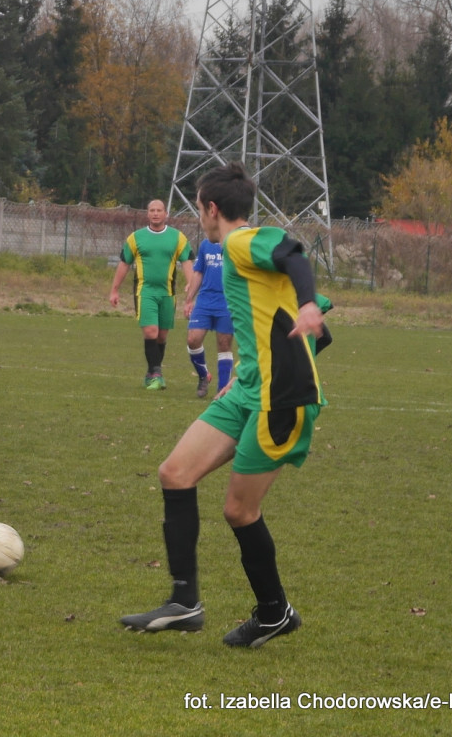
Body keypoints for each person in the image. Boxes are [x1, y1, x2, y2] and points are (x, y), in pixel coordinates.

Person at [119, 162, 328, 648]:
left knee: (239, 511)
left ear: (212, 209)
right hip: (248, 390)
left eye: (198, 207)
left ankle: (274, 612)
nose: (199, 216)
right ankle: (184, 602)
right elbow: (305, 317)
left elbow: (292, 253)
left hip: (281, 400)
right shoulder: (235, 252)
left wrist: (309, 305)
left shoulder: (238, 241)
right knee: (175, 473)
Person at [109, 200, 194, 390]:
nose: (155, 213)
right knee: (150, 332)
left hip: (167, 293)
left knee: (162, 336)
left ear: (165, 214)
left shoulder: (177, 237)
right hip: (144, 292)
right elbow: (124, 263)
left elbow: (187, 261)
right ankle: (157, 373)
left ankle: (151, 373)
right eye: (152, 210)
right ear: (147, 214)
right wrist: (114, 289)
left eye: (159, 210)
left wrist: (191, 285)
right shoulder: (136, 238)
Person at [182, 238, 234, 398]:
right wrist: (190, 298)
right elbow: (198, 272)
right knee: (193, 339)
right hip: (205, 300)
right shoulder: (206, 244)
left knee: (224, 343)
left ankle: (222, 390)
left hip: (227, 300)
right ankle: (204, 375)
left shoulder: (236, 243)